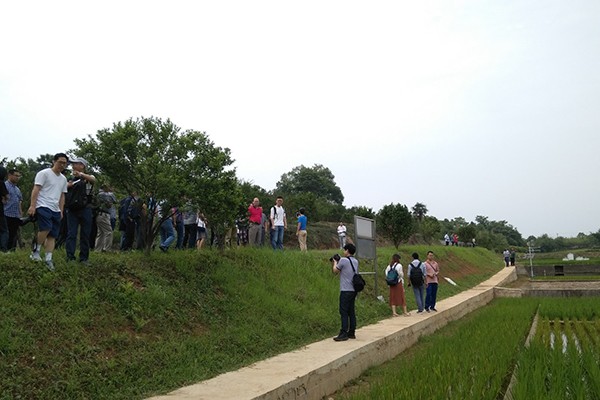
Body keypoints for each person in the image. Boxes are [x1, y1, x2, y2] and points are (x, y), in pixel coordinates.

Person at [27, 153, 69, 271]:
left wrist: (61, 210)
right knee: (45, 228)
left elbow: (62, 196)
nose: (62, 165)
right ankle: (36, 251)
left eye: (65, 163)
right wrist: (32, 206)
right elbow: (36, 189)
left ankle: (48, 258)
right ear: (54, 161)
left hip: (55, 208)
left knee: (53, 235)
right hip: (43, 205)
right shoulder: (44, 173)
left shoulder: (63, 179)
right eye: (60, 162)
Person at [65, 157, 96, 265]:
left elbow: (93, 180)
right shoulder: (70, 179)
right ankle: (70, 257)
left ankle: (84, 258)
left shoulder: (88, 177)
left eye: (76, 163)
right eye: (73, 164)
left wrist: (81, 175)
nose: (73, 166)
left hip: (86, 208)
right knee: (71, 234)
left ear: (82, 166)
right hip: (72, 209)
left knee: (85, 234)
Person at [331, 243, 359, 341]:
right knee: (351, 311)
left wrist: (335, 262)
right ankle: (351, 332)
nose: (344, 251)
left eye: (344, 250)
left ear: (347, 251)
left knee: (343, 312)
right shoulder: (355, 261)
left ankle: (343, 333)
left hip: (345, 290)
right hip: (353, 290)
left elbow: (335, 271)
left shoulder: (343, 260)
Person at [4, 169, 23, 251]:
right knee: (5, 234)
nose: (17, 178)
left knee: (13, 235)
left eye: (19, 176)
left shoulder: (17, 189)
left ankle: (11, 251)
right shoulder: (5, 186)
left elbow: (19, 202)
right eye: (16, 176)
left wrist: (20, 213)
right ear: (10, 175)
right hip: (6, 214)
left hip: (15, 215)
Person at [94, 184, 116, 252]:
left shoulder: (98, 194)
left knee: (100, 233)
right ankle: (107, 249)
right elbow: (114, 201)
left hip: (99, 215)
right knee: (109, 232)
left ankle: (97, 249)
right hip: (104, 215)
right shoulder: (105, 194)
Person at [0, 165, 9, 252]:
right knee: (4, 230)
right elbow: (6, 196)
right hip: (0, 211)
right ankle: (3, 249)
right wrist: (4, 200)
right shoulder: (1, 183)